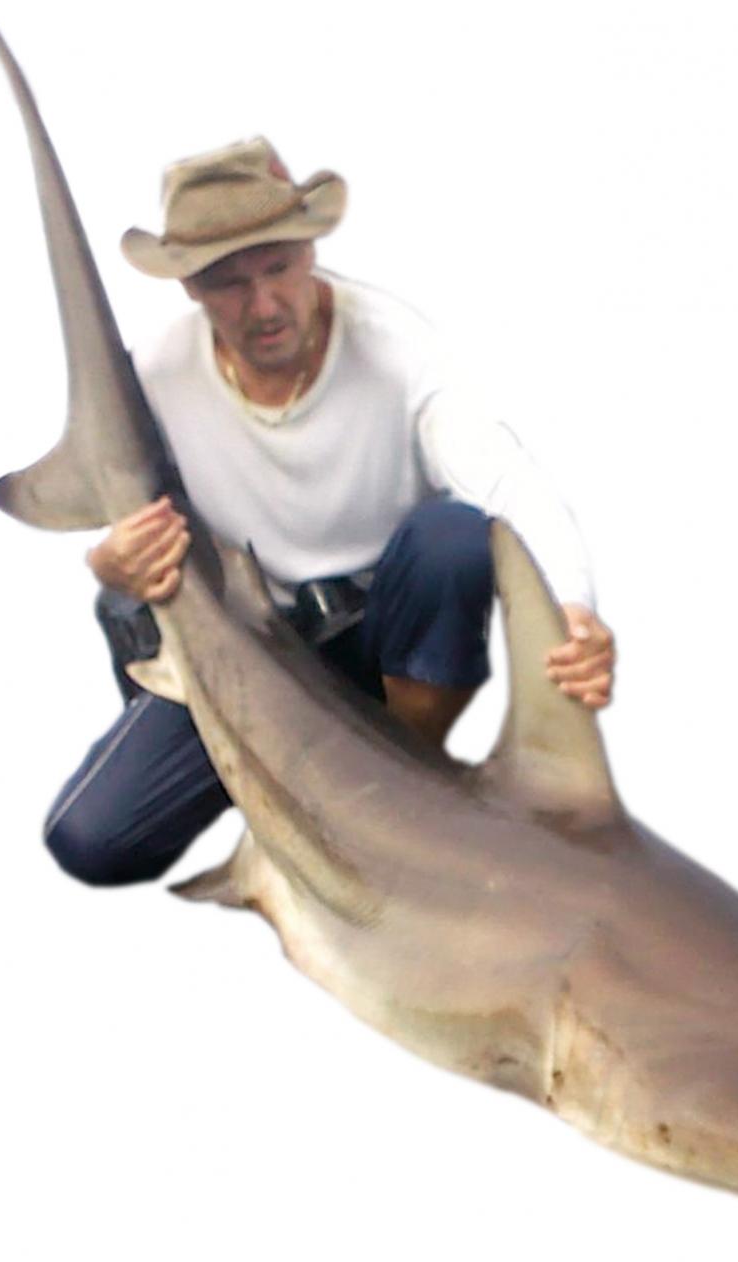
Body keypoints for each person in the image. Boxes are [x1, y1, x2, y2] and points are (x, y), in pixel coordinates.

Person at [44, 137, 615, 888]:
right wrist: (108, 561)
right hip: (253, 651)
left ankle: (407, 783)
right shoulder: (154, 374)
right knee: (89, 840)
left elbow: (508, 479)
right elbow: (121, 526)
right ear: (189, 287)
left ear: (310, 249)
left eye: (278, 268)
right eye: (229, 283)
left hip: (384, 641)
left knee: (453, 539)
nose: (263, 306)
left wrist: (574, 606)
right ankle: (268, 789)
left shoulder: (397, 348)